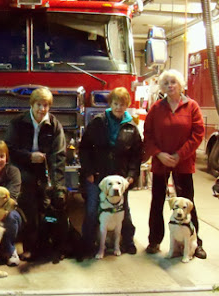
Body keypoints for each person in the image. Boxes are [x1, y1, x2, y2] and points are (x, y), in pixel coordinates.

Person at [143, 69, 206, 259]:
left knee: (188, 202)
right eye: (167, 83)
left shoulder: (192, 106)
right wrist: (158, 154)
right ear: (162, 86)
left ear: (180, 85)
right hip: (161, 163)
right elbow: (148, 135)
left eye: (173, 82)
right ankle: (154, 241)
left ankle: (196, 243)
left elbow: (198, 134)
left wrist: (180, 155)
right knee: (157, 202)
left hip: (183, 163)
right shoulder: (156, 108)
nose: (170, 86)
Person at [78, 87, 142, 257]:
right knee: (92, 209)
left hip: (120, 178)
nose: (118, 107)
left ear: (126, 105)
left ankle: (127, 241)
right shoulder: (98, 122)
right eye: (115, 103)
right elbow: (84, 148)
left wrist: (131, 176)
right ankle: (87, 244)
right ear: (110, 104)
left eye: (122, 104)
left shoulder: (132, 127)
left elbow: (136, 155)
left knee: (124, 210)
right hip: (97, 175)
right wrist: (89, 172)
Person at [5, 87, 66, 260]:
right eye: (39, 104)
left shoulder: (54, 125)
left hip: (44, 169)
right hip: (22, 167)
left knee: (47, 206)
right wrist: (30, 157)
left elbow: (58, 157)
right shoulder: (17, 122)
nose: (42, 109)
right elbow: (9, 149)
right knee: (29, 205)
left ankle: (47, 247)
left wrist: (57, 185)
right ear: (32, 104)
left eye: (46, 105)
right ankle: (29, 248)